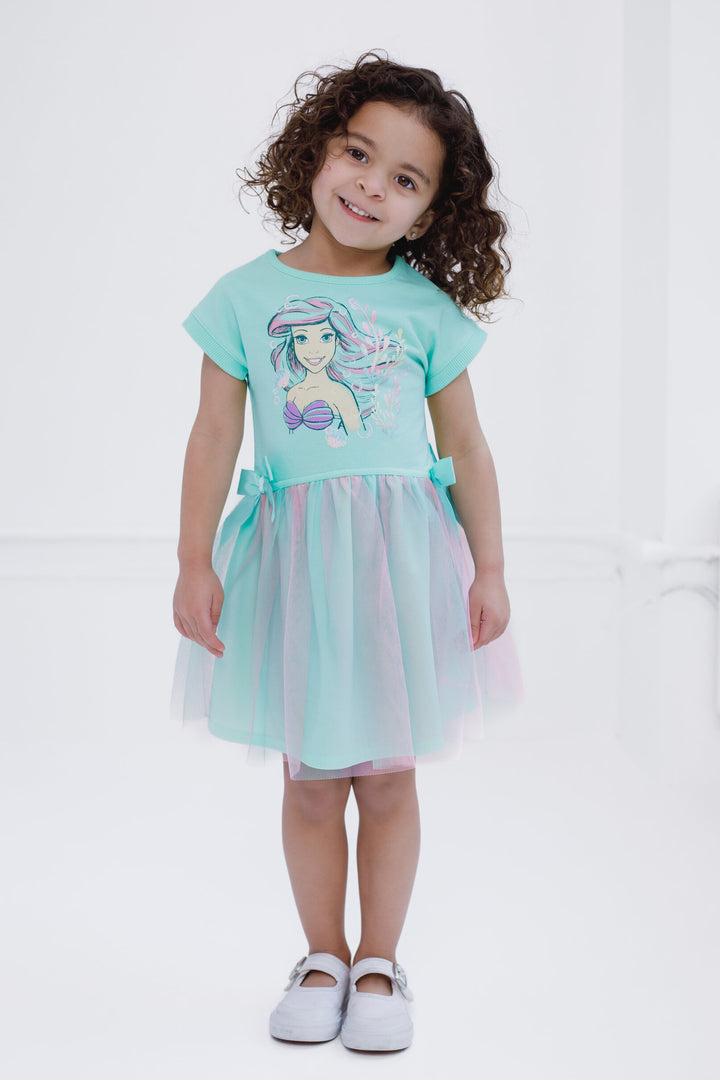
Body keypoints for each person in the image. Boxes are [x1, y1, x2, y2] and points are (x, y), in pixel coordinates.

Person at [170, 50, 524, 1053]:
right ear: (317, 151)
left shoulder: (424, 310)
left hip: (400, 570)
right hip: (299, 571)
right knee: (312, 778)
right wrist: (194, 560)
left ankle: (380, 962)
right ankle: (321, 955)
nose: (371, 186)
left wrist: (490, 567)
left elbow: (467, 447)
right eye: (359, 154)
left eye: (405, 179)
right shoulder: (244, 298)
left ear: (428, 215)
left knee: (391, 777)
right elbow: (212, 436)